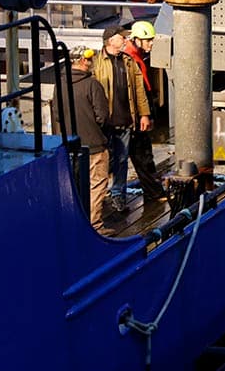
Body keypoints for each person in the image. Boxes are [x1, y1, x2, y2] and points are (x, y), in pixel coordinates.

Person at [92, 24, 150, 213]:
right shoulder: (96, 62)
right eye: (121, 37)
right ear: (110, 41)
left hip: (125, 119)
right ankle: (97, 197)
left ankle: (118, 196)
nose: (125, 40)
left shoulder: (128, 61)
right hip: (103, 122)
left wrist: (144, 114)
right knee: (102, 161)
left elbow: (139, 89)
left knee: (122, 159)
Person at [121, 20, 165, 202]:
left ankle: (152, 191)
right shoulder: (129, 60)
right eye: (148, 40)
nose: (151, 44)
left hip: (137, 116)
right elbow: (136, 91)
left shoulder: (136, 57)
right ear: (137, 40)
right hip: (134, 118)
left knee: (140, 156)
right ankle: (153, 193)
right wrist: (144, 115)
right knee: (142, 156)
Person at [69, 45, 111, 231]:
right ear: (83, 61)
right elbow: (102, 115)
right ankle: (95, 225)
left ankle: (77, 223)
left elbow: (56, 115)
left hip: (70, 146)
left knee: (76, 185)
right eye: (90, 59)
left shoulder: (60, 84)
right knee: (97, 184)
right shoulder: (92, 84)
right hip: (94, 144)